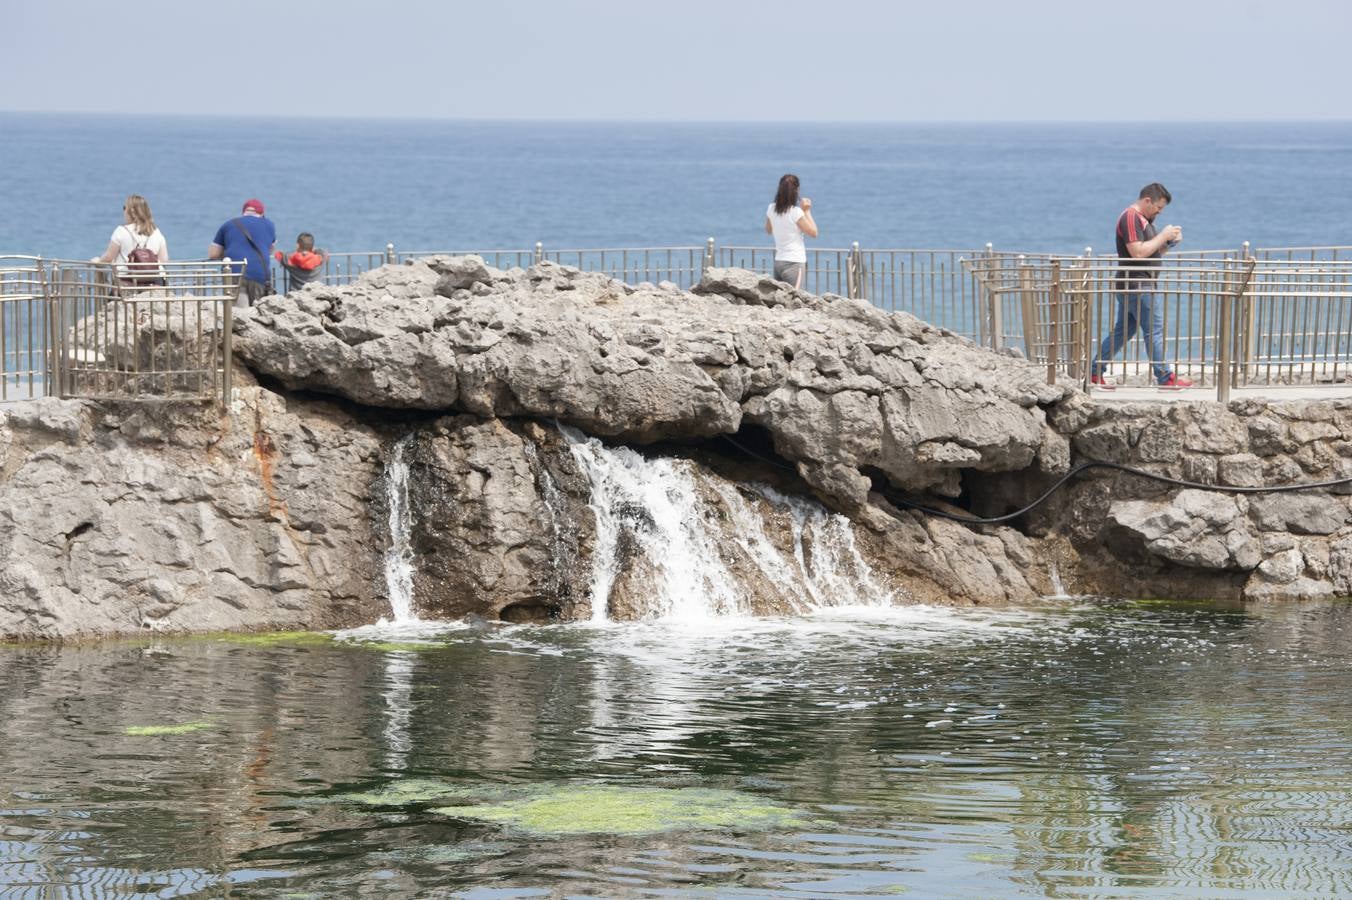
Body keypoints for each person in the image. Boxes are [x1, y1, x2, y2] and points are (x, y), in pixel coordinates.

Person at [1090, 182, 1192, 389]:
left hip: (1135, 282)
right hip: (1138, 283)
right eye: (1158, 207)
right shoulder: (1130, 218)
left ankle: (1094, 372)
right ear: (1147, 201)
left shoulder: (1143, 220)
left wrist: (1169, 243)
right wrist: (1162, 235)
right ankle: (1165, 377)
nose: (1159, 212)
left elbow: (1150, 252)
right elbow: (1137, 252)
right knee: (1153, 330)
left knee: (1124, 331)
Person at [209, 198, 276, 308]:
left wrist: (227, 252)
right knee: (258, 314)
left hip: (235, 273)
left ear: (243, 212)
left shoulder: (228, 224)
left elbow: (213, 254)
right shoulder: (269, 225)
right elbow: (270, 249)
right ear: (262, 214)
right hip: (260, 275)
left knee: (240, 315)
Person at [93, 194, 169, 286]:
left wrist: (97, 261)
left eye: (124, 208)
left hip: (128, 282)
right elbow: (164, 260)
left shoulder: (121, 231)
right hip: (156, 281)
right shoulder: (156, 232)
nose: (123, 212)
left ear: (131, 212)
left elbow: (109, 257)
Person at [764, 173, 818, 289]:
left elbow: (768, 230)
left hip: (779, 262)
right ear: (797, 190)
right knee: (795, 300)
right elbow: (814, 233)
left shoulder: (771, 208)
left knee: (780, 300)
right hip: (794, 263)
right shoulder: (796, 212)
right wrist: (807, 211)